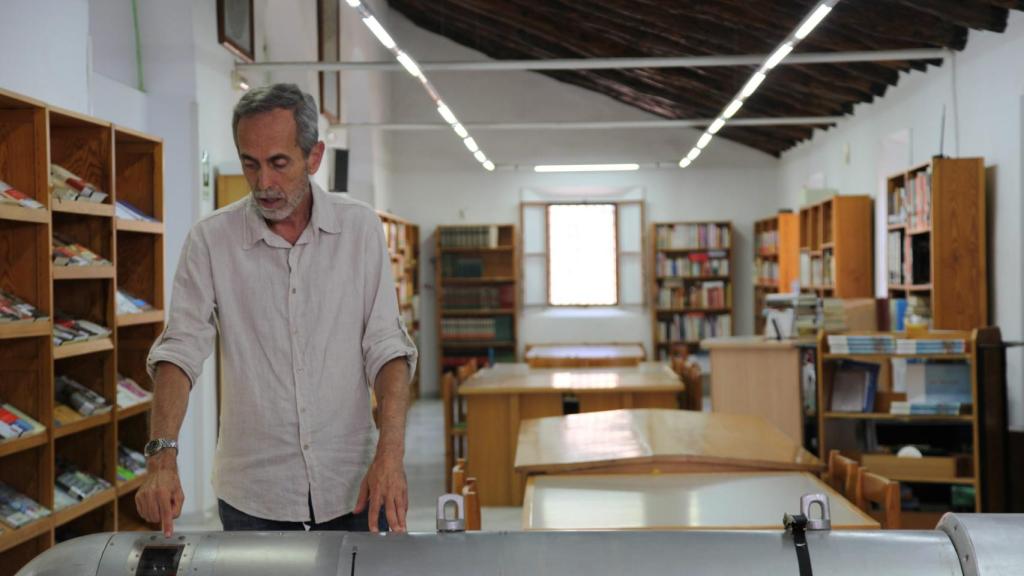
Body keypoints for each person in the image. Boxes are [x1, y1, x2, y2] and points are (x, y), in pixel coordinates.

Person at [135, 83, 417, 536]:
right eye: (251, 163)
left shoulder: (359, 229)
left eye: (279, 163)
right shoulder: (211, 241)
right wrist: (162, 457)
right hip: (254, 495)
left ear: (315, 156)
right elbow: (180, 350)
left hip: (357, 485)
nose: (263, 182)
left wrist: (391, 455)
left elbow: (387, 348)